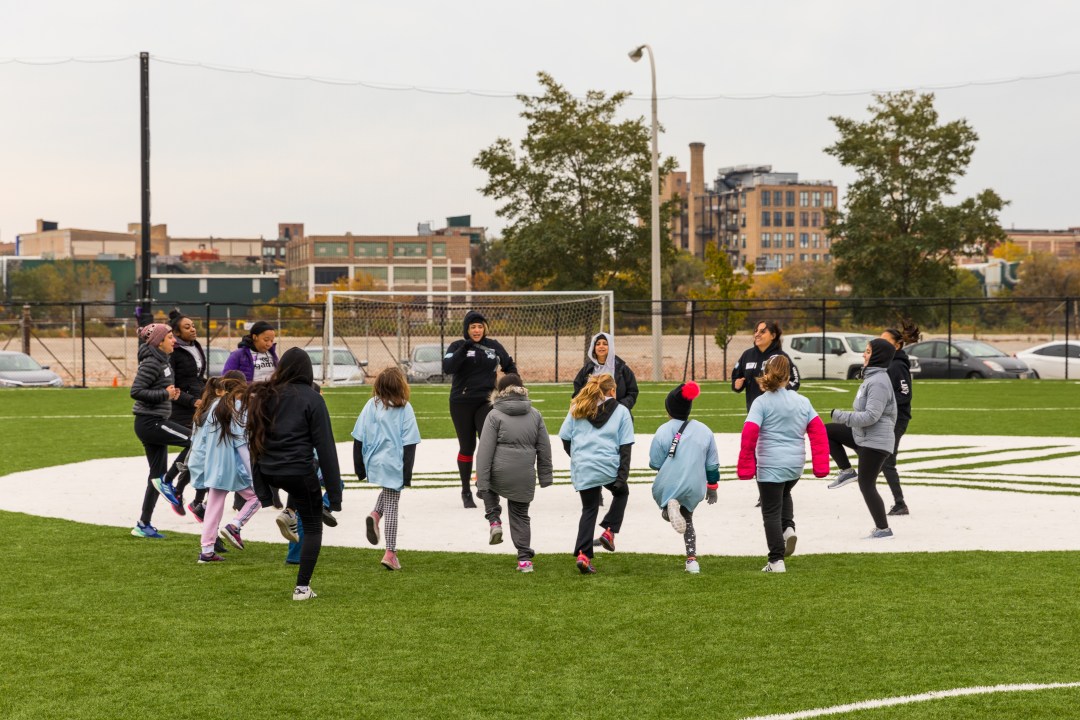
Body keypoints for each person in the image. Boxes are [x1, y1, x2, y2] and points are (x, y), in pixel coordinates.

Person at [246, 347, 342, 600]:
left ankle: (289, 512)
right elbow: (326, 448)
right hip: (298, 471)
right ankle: (302, 588)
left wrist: (264, 491)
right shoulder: (312, 398)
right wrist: (334, 495)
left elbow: (253, 441)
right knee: (312, 528)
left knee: (299, 492)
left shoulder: (264, 395)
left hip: (270, 471)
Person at [737, 355, 830, 572]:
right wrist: (821, 465)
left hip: (770, 464)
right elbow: (818, 432)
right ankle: (788, 528)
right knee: (785, 493)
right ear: (788, 375)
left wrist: (745, 466)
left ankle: (776, 560)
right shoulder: (802, 401)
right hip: (795, 465)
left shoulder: (761, 402)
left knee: (770, 511)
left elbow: (749, 434)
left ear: (766, 372)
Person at [474, 373, 553, 573]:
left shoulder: (494, 414)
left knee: (487, 484)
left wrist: (481, 483)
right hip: (524, 473)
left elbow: (484, 451)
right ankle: (525, 559)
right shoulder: (535, 414)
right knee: (520, 515)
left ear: (500, 392)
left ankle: (494, 520)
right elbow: (545, 447)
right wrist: (545, 476)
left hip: (499, 470)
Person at [558, 374, 634, 575]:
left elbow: (565, 438)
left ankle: (584, 554)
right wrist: (621, 477)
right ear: (612, 391)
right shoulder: (622, 411)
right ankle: (609, 531)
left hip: (584, 466)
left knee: (589, 509)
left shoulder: (578, 407)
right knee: (622, 493)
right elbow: (626, 447)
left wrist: (576, 457)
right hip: (608, 466)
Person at [442, 310, 517, 509]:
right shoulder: (457, 345)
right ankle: (465, 491)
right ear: (467, 329)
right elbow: (448, 367)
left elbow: (510, 366)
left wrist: (512, 385)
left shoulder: (493, 346)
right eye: (473, 326)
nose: (477, 330)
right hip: (461, 402)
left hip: (487, 402)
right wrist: (466, 346)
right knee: (467, 447)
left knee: (488, 444)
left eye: (480, 326)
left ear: (485, 328)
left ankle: (482, 484)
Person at [825, 338, 898, 539]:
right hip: (863, 436)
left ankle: (883, 529)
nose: (863, 354)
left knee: (866, 485)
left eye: (867, 351)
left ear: (877, 356)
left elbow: (871, 416)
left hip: (875, 443)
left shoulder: (879, 382)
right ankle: (847, 471)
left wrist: (840, 415)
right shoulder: (871, 379)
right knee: (827, 431)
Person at [186, 374, 262, 563]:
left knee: (213, 507)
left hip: (213, 466)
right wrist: (252, 473)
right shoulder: (236, 408)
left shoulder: (212, 407)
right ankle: (235, 525)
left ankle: (207, 550)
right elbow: (241, 444)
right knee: (257, 496)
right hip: (230, 467)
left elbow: (201, 441)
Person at [352, 366, 421, 572]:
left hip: (373, 461)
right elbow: (410, 443)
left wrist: (359, 468)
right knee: (392, 505)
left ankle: (374, 514)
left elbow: (358, 437)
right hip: (394, 463)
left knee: (389, 492)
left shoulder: (370, 404)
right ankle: (390, 553)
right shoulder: (405, 408)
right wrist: (406, 474)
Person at [648, 381, 719, 574]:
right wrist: (712, 487)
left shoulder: (663, 430)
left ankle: (667, 510)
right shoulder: (704, 430)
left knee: (669, 507)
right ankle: (692, 560)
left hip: (669, 484)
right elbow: (712, 465)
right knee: (688, 519)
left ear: (669, 409)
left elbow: (655, 463)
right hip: (695, 485)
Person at [130, 323, 188, 538]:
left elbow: (160, 390)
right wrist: (165, 394)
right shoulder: (152, 362)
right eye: (170, 337)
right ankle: (168, 482)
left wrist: (172, 394)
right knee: (195, 440)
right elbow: (135, 391)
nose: (174, 340)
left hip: (153, 421)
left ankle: (143, 524)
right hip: (150, 422)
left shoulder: (163, 361)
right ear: (159, 341)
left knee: (155, 474)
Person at [166, 308, 207, 517]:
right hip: (183, 408)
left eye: (193, 326)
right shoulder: (173, 353)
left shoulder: (195, 347)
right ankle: (170, 483)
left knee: (200, 450)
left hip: (199, 404)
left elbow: (198, 378)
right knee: (196, 447)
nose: (193, 329)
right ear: (177, 333)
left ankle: (181, 492)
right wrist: (193, 401)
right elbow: (172, 387)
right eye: (187, 327)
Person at [880, 321, 921, 516]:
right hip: (887, 418)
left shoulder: (897, 365)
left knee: (887, 461)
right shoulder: (887, 363)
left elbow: (905, 395)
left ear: (897, 345)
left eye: (885, 341)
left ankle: (900, 503)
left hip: (896, 420)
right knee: (878, 457)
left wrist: (883, 403)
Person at [731, 320, 800, 412]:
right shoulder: (747, 355)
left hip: (777, 411)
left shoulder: (781, 357)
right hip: (754, 411)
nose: (757, 334)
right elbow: (736, 377)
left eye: (762, 332)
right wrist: (736, 385)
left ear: (773, 336)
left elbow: (795, 381)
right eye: (756, 331)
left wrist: (776, 387)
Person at [572, 332, 638, 412]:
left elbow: (632, 392)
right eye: (598, 344)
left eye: (605, 344)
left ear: (610, 347)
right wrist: (586, 405)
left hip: (616, 411)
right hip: (592, 412)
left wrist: (620, 407)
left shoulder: (622, 369)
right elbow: (578, 391)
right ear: (594, 347)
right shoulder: (587, 369)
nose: (601, 346)